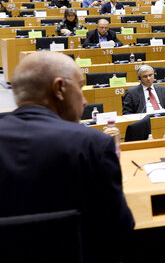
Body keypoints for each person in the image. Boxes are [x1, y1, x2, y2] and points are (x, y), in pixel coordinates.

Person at [0, 51, 134, 262]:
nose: (85, 101)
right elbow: (119, 229)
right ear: (59, 88)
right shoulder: (92, 144)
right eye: (80, 88)